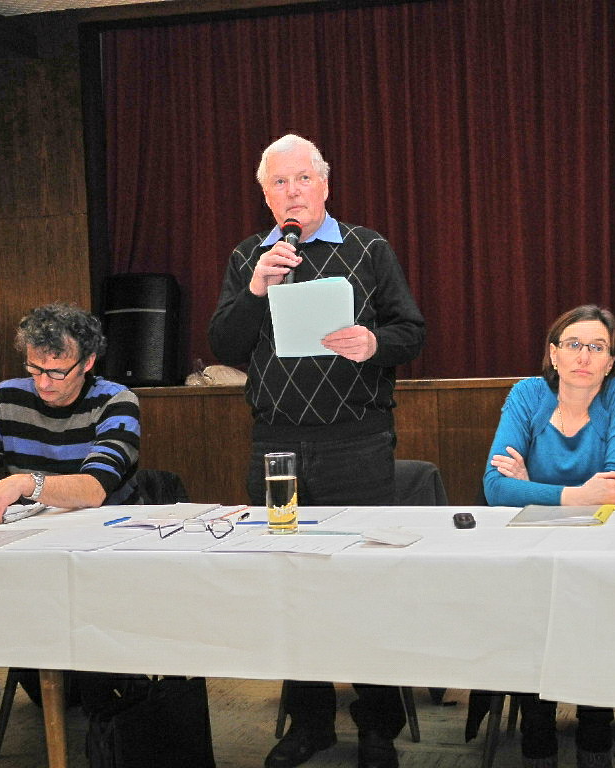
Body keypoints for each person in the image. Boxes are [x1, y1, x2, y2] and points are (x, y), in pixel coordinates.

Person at [209, 134, 425, 768]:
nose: (292, 192)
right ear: (265, 196)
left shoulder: (367, 247)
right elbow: (224, 345)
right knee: (289, 586)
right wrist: (255, 289)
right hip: (276, 445)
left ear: (324, 185)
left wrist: (374, 343)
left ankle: (378, 726)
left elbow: (411, 332)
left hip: (356, 442)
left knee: (365, 586)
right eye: (278, 183)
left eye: (302, 179)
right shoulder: (249, 256)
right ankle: (310, 723)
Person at [0, 302, 141, 704]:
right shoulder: (6, 397)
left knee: (94, 689)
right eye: (34, 368)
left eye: (57, 371)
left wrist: (26, 482)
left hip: (99, 557)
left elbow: (95, 488)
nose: (43, 383)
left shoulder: (116, 401)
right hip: (25, 560)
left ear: (88, 362)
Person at [483, 304, 615, 768]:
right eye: (573, 344)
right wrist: (577, 495)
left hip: (602, 547)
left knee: (597, 618)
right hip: (531, 547)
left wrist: (531, 488)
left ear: (611, 361)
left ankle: (596, 737)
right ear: (554, 354)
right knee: (531, 615)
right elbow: (494, 488)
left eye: (597, 347)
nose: (584, 356)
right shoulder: (528, 393)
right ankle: (537, 739)